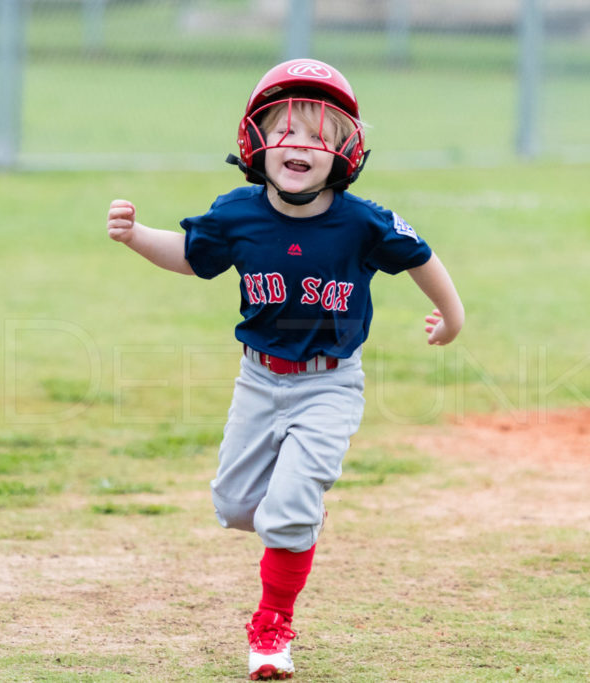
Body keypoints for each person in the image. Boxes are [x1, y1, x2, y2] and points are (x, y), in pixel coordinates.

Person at [105, 58, 464, 680]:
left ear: (344, 151)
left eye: (319, 135)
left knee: (288, 511)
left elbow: (420, 256)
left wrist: (451, 315)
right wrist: (137, 236)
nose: (300, 144)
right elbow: (192, 257)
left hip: (329, 381)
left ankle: (272, 627)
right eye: (286, 129)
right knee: (237, 506)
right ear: (255, 142)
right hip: (258, 380)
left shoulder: (362, 220)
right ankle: (298, 510)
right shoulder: (237, 214)